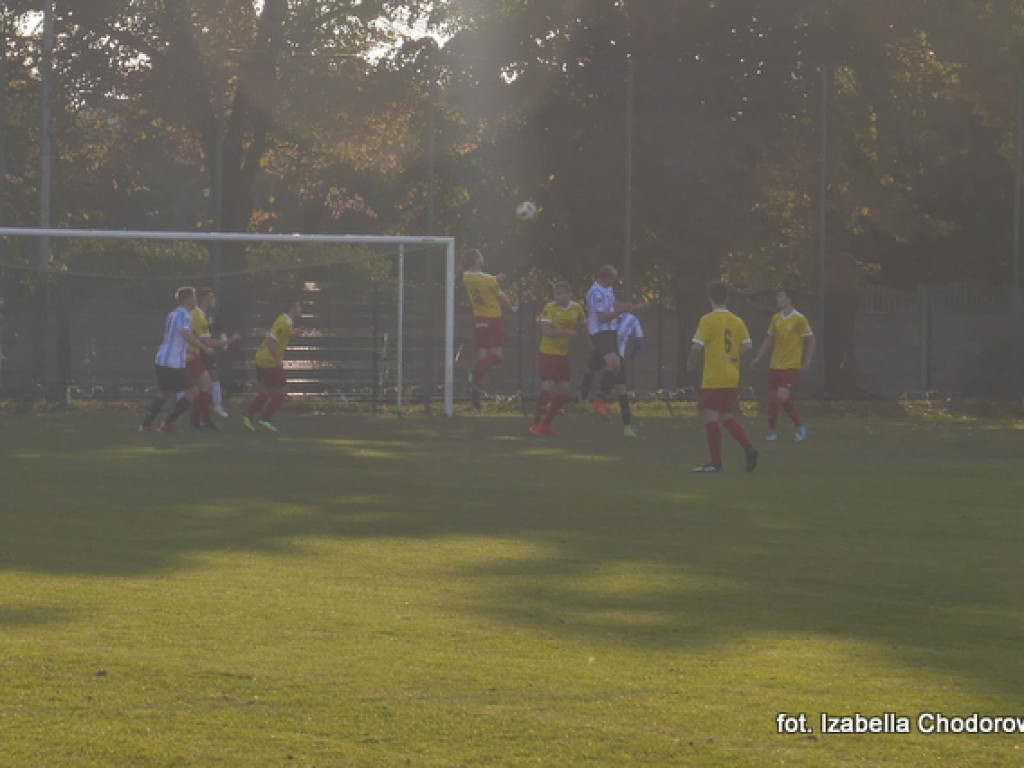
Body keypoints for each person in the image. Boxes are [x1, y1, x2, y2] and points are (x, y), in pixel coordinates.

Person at [686, 281, 758, 473]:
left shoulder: (708, 320)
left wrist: (692, 362)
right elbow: (747, 346)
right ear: (727, 298)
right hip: (731, 375)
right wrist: (733, 357)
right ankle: (749, 447)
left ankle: (716, 463)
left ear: (710, 298)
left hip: (714, 375)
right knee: (726, 416)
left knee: (711, 417)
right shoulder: (737, 320)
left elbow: (696, 346)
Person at [139, 286, 214, 433]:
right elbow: (185, 334)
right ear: (187, 299)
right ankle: (169, 423)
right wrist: (204, 348)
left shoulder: (173, 314)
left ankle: (146, 425)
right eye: (193, 297)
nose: (195, 300)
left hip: (162, 358)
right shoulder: (184, 315)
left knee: (164, 392)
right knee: (193, 391)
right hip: (173, 361)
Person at [750, 288, 815, 441]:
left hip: (791, 365)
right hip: (775, 364)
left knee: (782, 395)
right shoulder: (776, 319)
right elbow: (769, 338)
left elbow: (811, 339)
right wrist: (758, 357)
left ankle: (799, 426)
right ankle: (772, 431)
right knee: (772, 397)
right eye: (777, 296)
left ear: (789, 299)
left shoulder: (799, 319)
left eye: (780, 296)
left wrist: (807, 361)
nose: (778, 299)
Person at [461, 248, 517, 408]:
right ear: (477, 260)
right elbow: (501, 297)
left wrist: (495, 278)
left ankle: (476, 391)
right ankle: (474, 375)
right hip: (493, 319)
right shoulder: (489, 280)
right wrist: (512, 308)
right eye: (480, 255)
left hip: (479, 319)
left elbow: (483, 280)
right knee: (497, 356)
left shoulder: (466, 277)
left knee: (482, 356)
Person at [585, 265, 638, 434]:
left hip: (611, 333)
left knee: (620, 381)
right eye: (612, 279)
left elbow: (612, 303)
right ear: (606, 278)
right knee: (614, 364)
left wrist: (624, 305)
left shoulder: (607, 290)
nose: (613, 283)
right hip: (600, 333)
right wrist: (620, 310)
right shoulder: (595, 293)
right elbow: (601, 317)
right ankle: (599, 399)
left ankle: (627, 425)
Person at [530, 281, 586, 436]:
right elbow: (546, 330)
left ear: (569, 294)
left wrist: (590, 342)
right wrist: (567, 333)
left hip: (563, 355)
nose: (559, 297)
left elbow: (583, 325)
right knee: (548, 385)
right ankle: (535, 424)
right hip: (548, 353)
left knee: (564, 391)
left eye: (562, 293)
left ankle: (547, 424)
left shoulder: (576, 308)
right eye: (556, 294)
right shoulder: (549, 308)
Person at [241, 298, 302, 432]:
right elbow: (270, 341)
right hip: (268, 361)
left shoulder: (286, 321)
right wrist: (277, 359)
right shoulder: (284, 322)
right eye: (299, 306)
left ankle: (248, 415)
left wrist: (293, 333)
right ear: (292, 307)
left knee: (269, 390)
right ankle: (264, 418)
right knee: (283, 389)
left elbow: (279, 336)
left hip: (264, 359)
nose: (300, 309)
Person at [185, 287, 240, 429]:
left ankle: (198, 418)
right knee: (206, 385)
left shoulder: (202, 315)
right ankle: (204, 417)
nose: (214, 300)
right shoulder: (198, 315)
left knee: (204, 386)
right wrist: (229, 341)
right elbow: (206, 341)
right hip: (192, 355)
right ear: (204, 299)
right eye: (212, 297)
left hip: (194, 353)